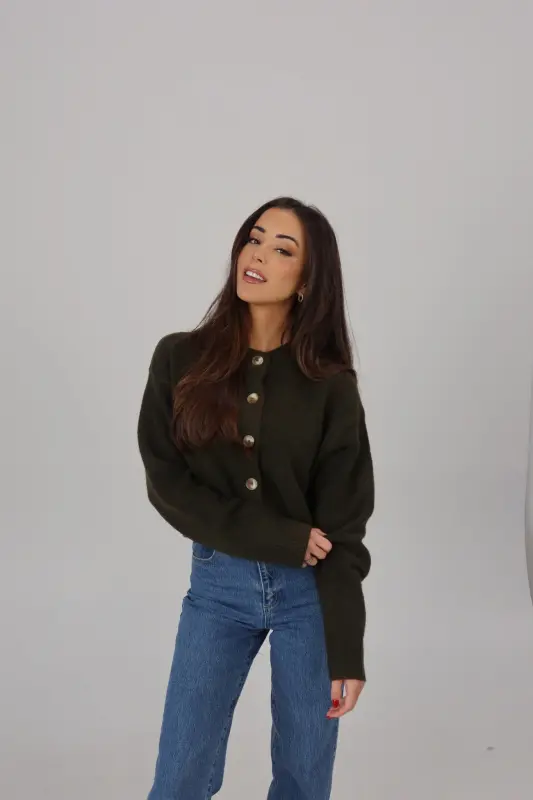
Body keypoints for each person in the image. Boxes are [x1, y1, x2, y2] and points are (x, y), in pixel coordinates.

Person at [137, 196, 375, 800]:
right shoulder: (179, 358)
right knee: (180, 773)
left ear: (308, 280)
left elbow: (345, 523)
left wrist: (347, 647)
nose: (259, 254)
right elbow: (166, 483)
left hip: (310, 598)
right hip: (218, 589)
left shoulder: (331, 386)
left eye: (282, 249)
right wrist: (277, 537)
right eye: (255, 238)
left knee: (303, 776)